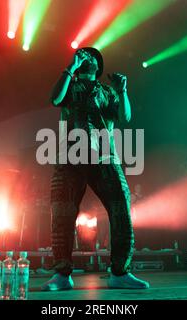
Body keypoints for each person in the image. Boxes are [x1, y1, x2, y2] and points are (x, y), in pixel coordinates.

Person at [41, 47, 149, 291]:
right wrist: (71, 67)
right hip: (70, 156)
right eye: (82, 55)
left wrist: (122, 90)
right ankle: (62, 274)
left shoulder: (107, 91)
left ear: (98, 66)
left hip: (104, 156)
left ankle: (120, 272)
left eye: (90, 56)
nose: (86, 57)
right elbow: (55, 99)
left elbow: (125, 116)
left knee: (121, 207)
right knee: (62, 213)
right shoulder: (69, 83)